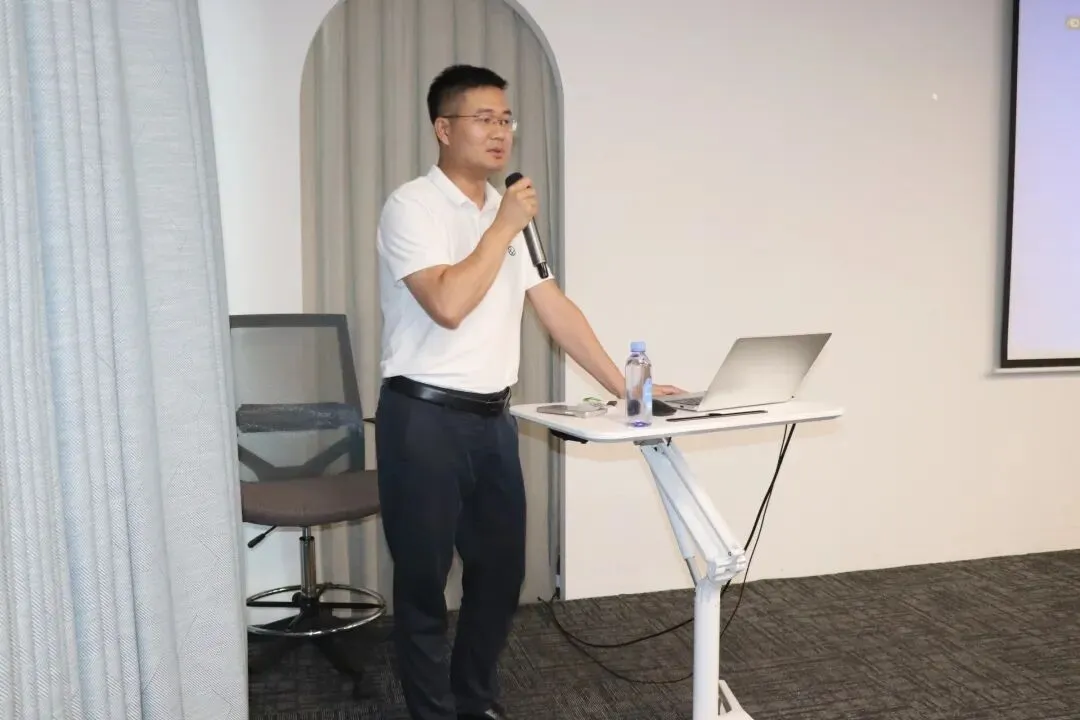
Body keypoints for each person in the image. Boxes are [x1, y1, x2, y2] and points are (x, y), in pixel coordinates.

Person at [373, 64, 682, 720]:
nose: (500, 132)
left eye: (506, 120)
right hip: (422, 418)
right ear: (443, 128)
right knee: (424, 584)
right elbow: (448, 304)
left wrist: (632, 391)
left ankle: (474, 699)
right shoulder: (413, 207)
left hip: (492, 422)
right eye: (484, 119)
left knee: (500, 575)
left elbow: (555, 309)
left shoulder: (510, 216)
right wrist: (501, 227)